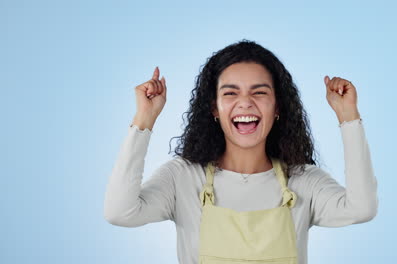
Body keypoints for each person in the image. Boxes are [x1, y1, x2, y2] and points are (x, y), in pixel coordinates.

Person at [104, 39, 378, 264]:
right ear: (214, 108)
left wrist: (348, 117)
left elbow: (362, 208)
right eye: (230, 93)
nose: (245, 103)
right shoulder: (183, 178)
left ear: (278, 107)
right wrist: (144, 119)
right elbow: (120, 212)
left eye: (259, 93)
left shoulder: (303, 180)